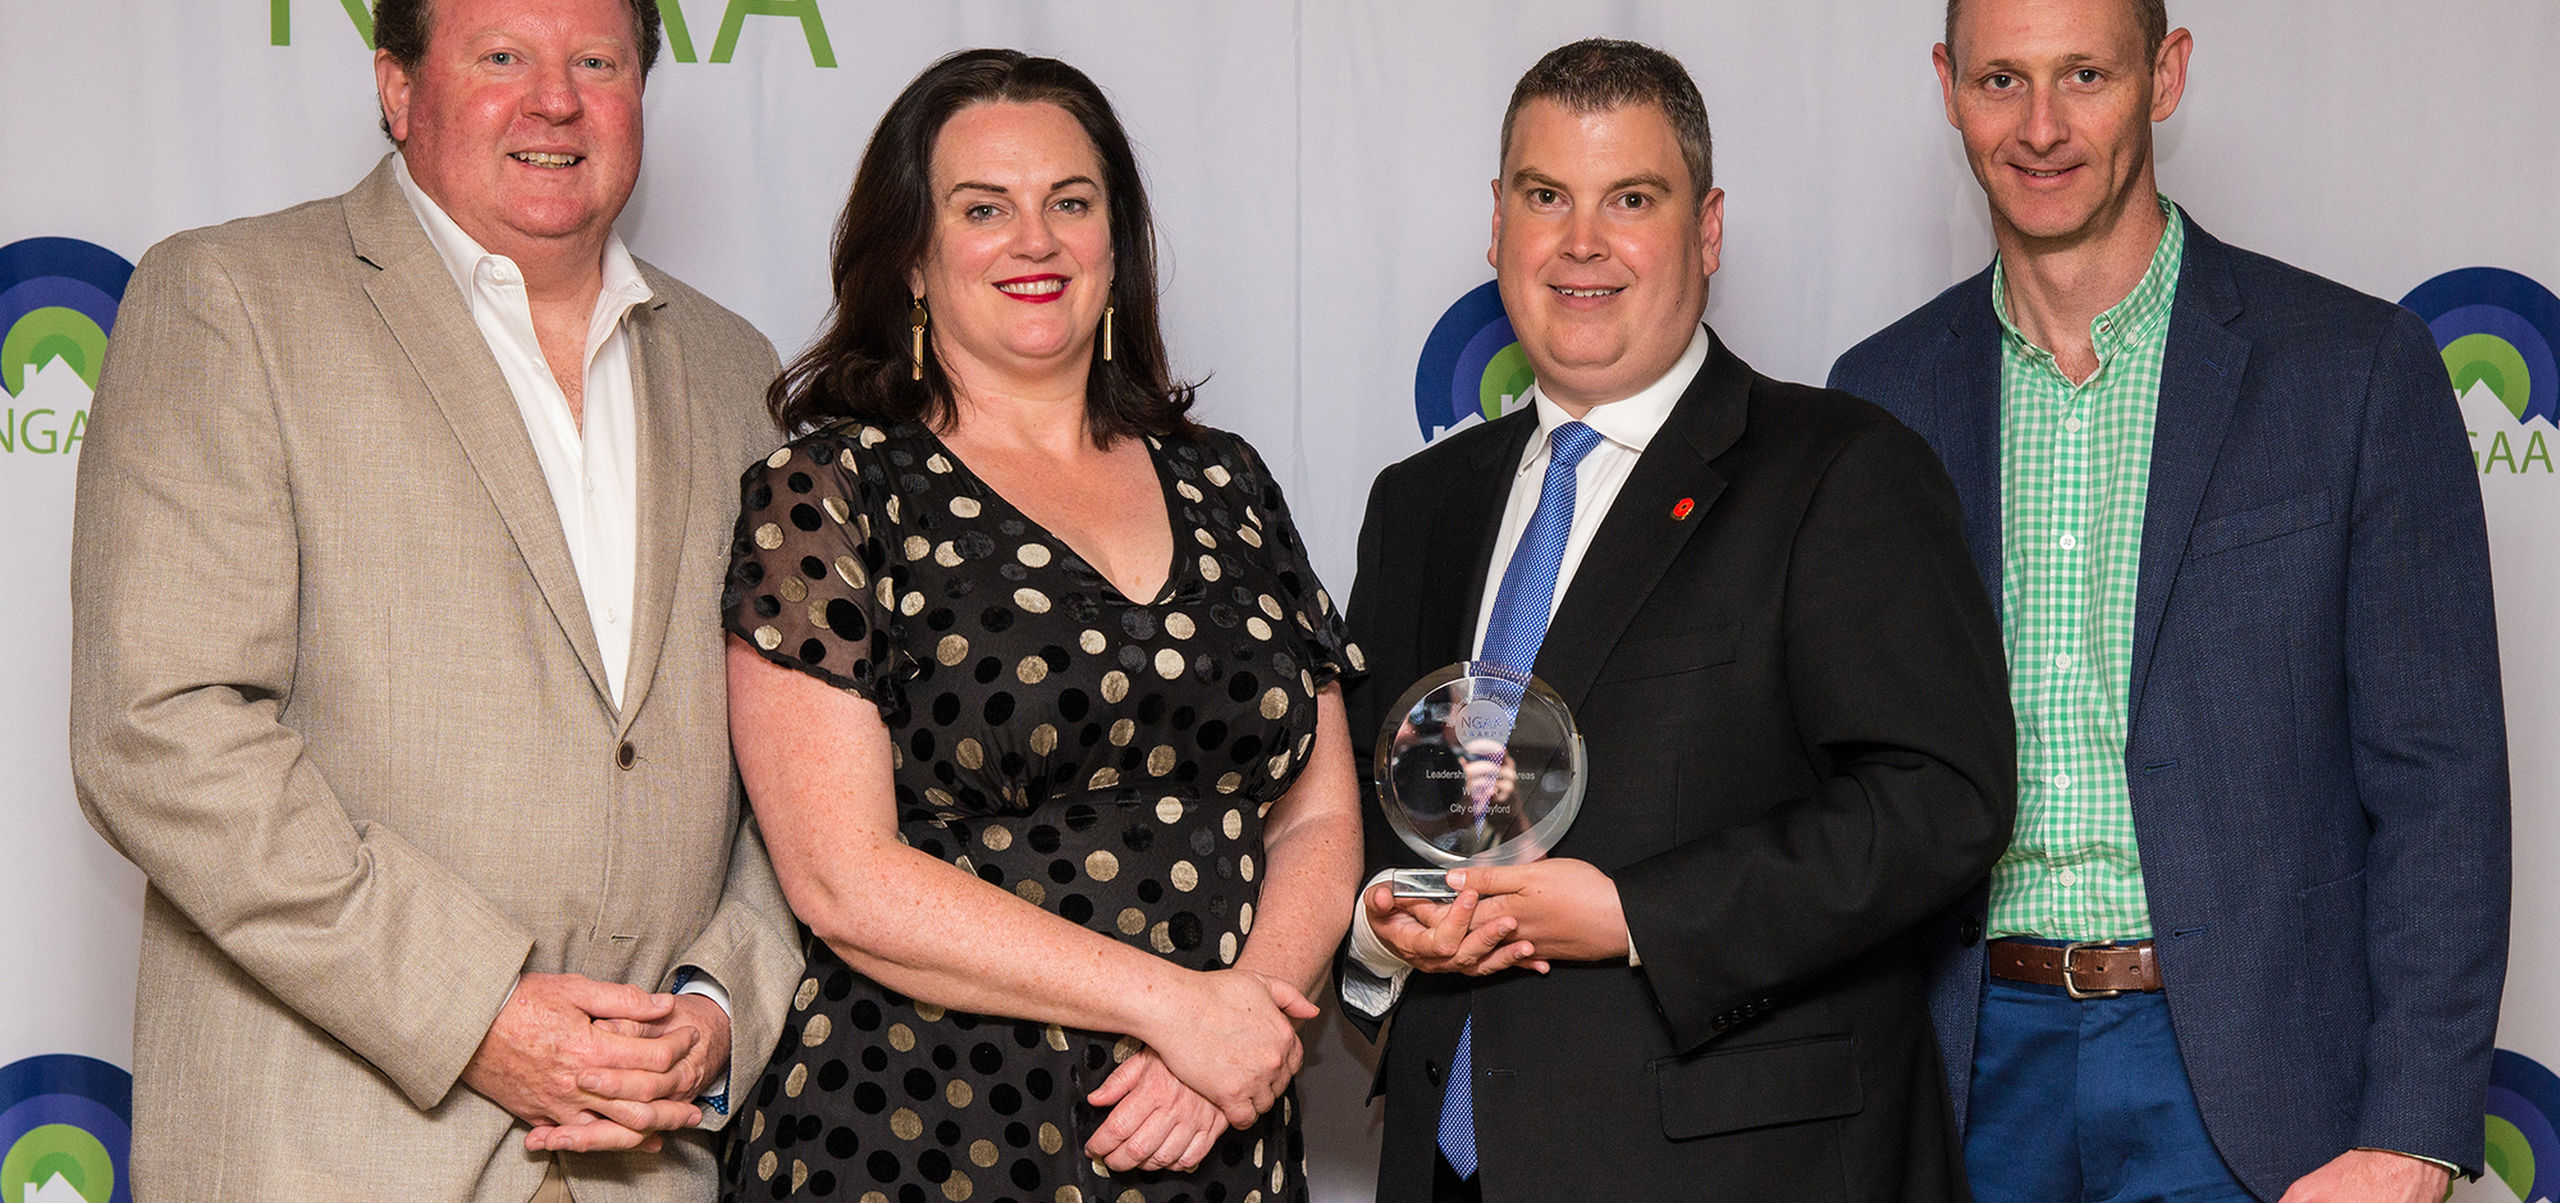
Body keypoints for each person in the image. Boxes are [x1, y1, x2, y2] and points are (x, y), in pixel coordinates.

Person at [66, 0, 802, 1196]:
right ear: (397, 89)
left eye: (597, 62)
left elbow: (800, 765)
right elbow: (160, 725)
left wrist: (723, 1003)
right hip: (328, 1151)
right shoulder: (232, 298)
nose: (554, 100)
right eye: (500, 57)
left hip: (649, 1160)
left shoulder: (736, 370)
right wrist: (476, 1013)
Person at [1827, 1, 2510, 1199]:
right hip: (1966, 1070)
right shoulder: (1879, 397)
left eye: (2083, 74)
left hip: (2251, 1086)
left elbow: (2439, 782)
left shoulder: (2353, 371)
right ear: (1947, 85)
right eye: (2002, 80)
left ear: (2165, 73)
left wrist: (2414, 1128)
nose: (2040, 126)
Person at [1340, 38, 2016, 1203]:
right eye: (1545, 196)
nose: (1581, 243)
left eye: (1630, 199)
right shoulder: (1420, 504)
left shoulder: (1838, 468)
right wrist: (1376, 922)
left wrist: (1632, 913)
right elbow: (1367, 791)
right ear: (1495, 224)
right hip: (1447, 1161)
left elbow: (1937, 801)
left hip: (1736, 1166)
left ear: (1704, 231)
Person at [716, 49, 1363, 1203]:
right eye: (983, 208)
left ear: (1117, 242)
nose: (1036, 240)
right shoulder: (829, 492)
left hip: (1214, 1125)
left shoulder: (1228, 483)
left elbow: (1317, 813)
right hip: (923, 1132)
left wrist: (1238, 1035)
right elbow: (842, 878)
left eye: (1071, 202)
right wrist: (1173, 1007)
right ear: (911, 258)